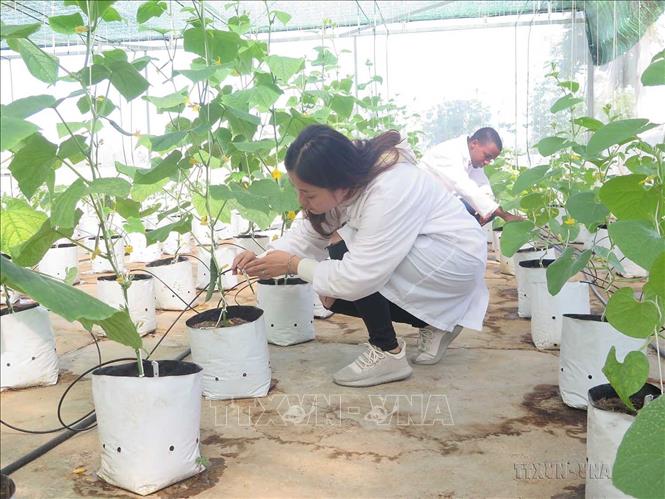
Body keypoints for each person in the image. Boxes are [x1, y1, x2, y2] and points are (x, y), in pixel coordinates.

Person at [232, 125, 489, 388]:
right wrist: (264, 257)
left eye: (308, 194)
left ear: (338, 183)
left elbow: (358, 278)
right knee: (330, 294)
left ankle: (387, 351)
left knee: (342, 248)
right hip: (427, 254)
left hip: (454, 258)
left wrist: (292, 264)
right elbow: (308, 234)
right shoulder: (350, 176)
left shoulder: (389, 188)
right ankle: (435, 323)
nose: (301, 201)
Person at [420, 127, 523, 225]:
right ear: (474, 143)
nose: (487, 162)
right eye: (487, 156)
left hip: (442, 203)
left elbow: (482, 184)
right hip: (424, 205)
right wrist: (505, 215)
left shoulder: (472, 158)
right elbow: (465, 187)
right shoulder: (449, 152)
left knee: (486, 211)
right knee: (472, 208)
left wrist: (487, 210)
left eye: (490, 160)